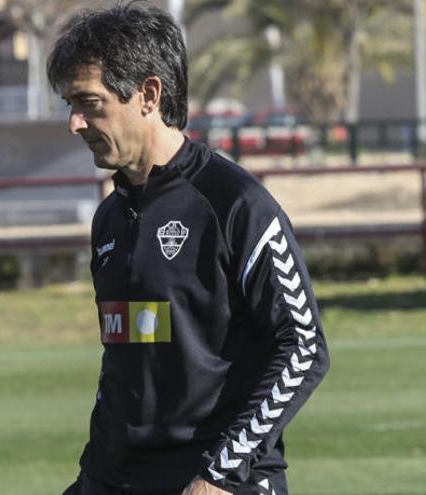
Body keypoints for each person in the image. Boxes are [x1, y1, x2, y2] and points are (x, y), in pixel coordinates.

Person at [46, 2, 329, 494]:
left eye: (89, 103)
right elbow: (124, 362)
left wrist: (220, 473)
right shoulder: (111, 216)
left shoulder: (235, 204)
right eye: (69, 104)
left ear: (148, 94)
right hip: (117, 480)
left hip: (218, 480)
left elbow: (303, 347)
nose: (74, 123)